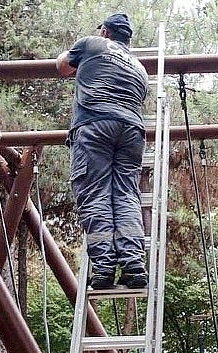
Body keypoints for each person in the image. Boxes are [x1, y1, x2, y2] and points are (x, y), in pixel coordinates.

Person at [56, 13, 149, 289]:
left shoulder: (92, 44)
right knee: (126, 196)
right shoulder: (140, 68)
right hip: (132, 130)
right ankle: (134, 265)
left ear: (106, 32)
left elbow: (61, 66)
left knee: (95, 194)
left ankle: (105, 267)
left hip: (95, 125)